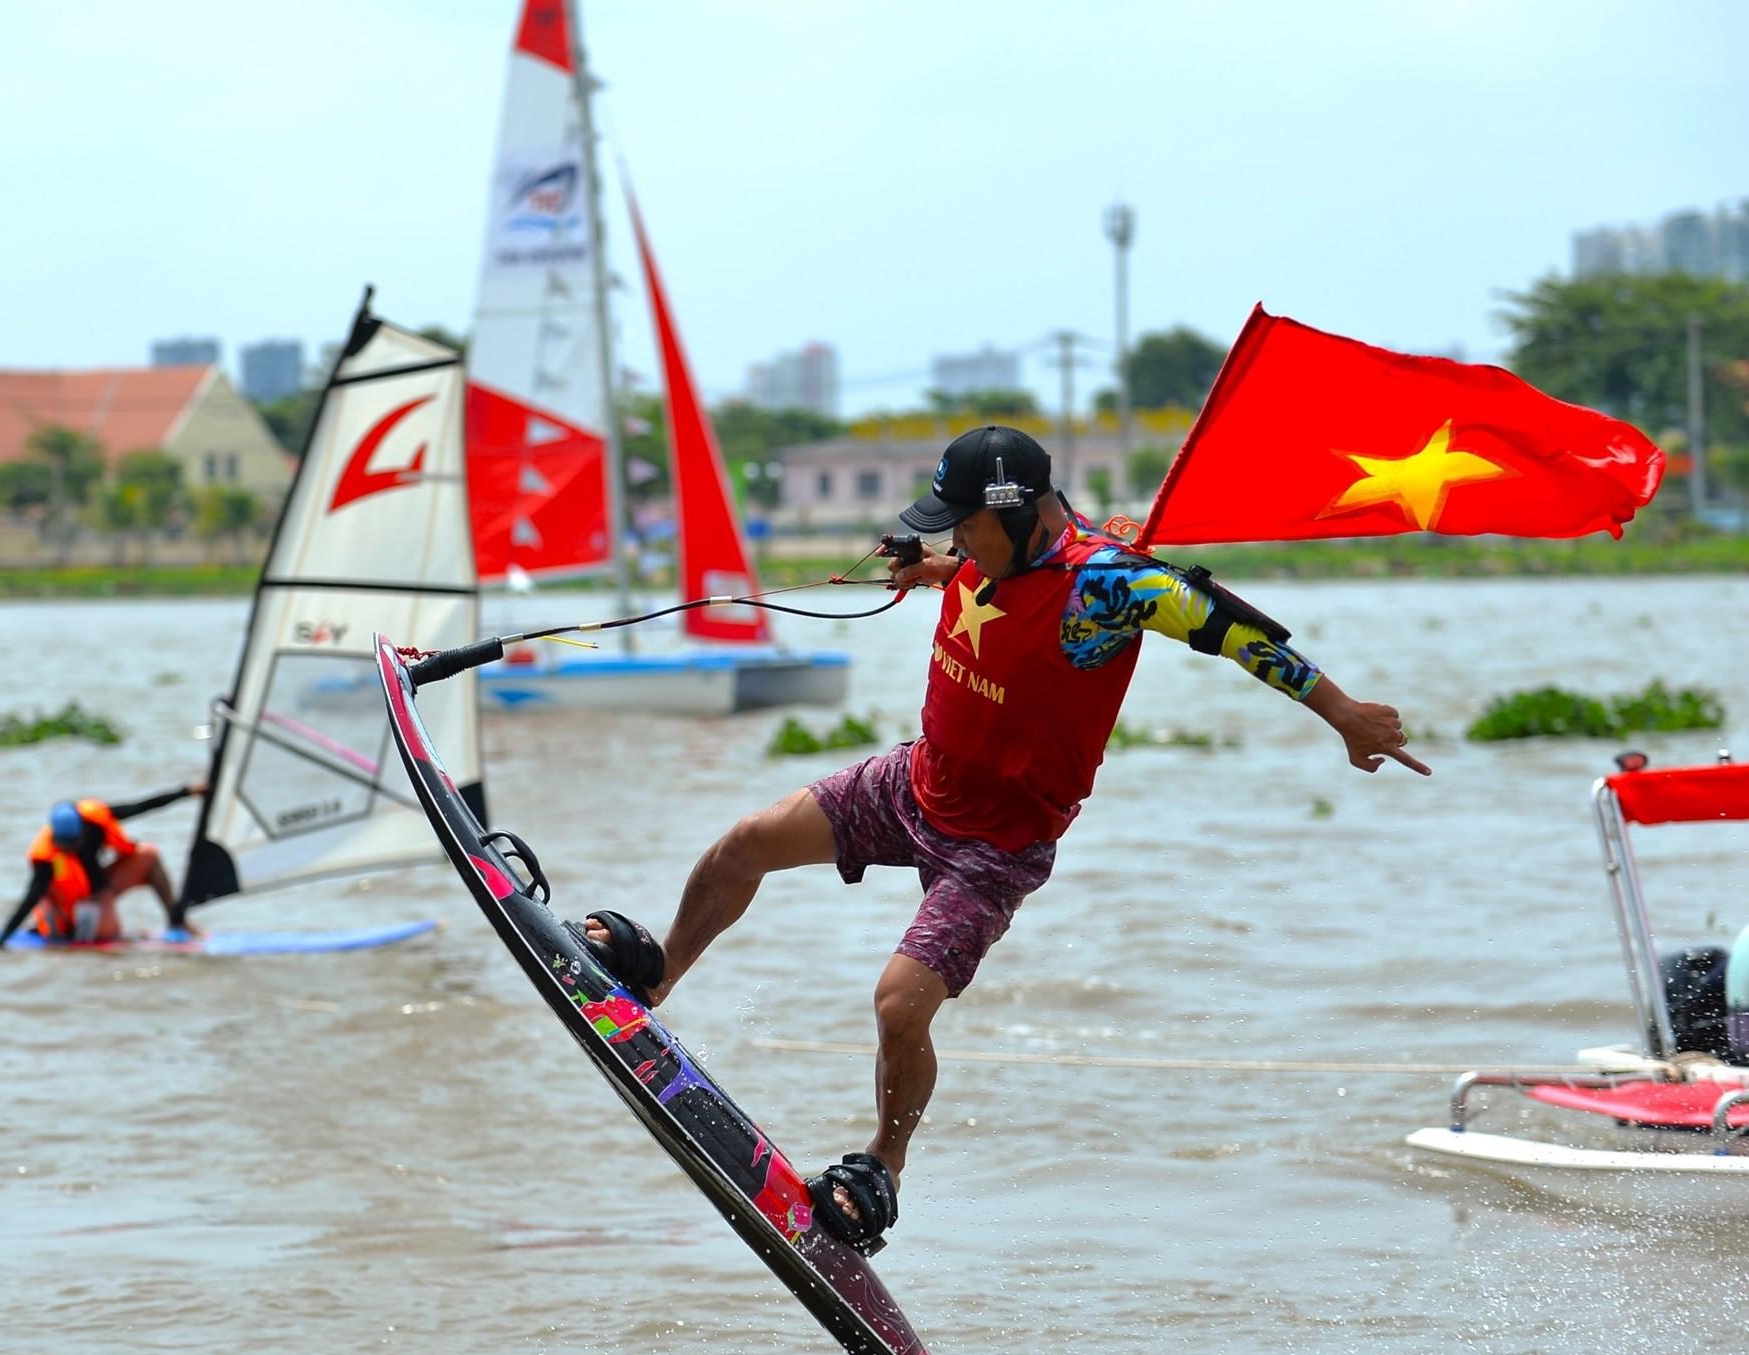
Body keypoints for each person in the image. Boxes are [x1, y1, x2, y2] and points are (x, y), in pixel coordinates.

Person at [584, 425, 1429, 1253]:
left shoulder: (1112, 585)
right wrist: (935, 568)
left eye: (966, 525)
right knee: (746, 843)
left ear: (1023, 513)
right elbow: (989, 575)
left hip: (997, 846)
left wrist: (1345, 714)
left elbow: (1235, 632)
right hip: (917, 783)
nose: (954, 537)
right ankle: (659, 978)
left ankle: (883, 1167)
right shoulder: (992, 553)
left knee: (898, 1004)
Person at [0, 781, 208, 947]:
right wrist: (3, 939)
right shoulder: (47, 856)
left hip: (97, 893)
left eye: (72, 843)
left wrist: (187, 792)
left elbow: (143, 805)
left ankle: (177, 922)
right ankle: (66, 929)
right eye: (63, 845)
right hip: (66, 905)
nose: (68, 849)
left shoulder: (96, 820)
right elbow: (30, 897)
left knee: (149, 855)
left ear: (82, 830)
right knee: (108, 939)